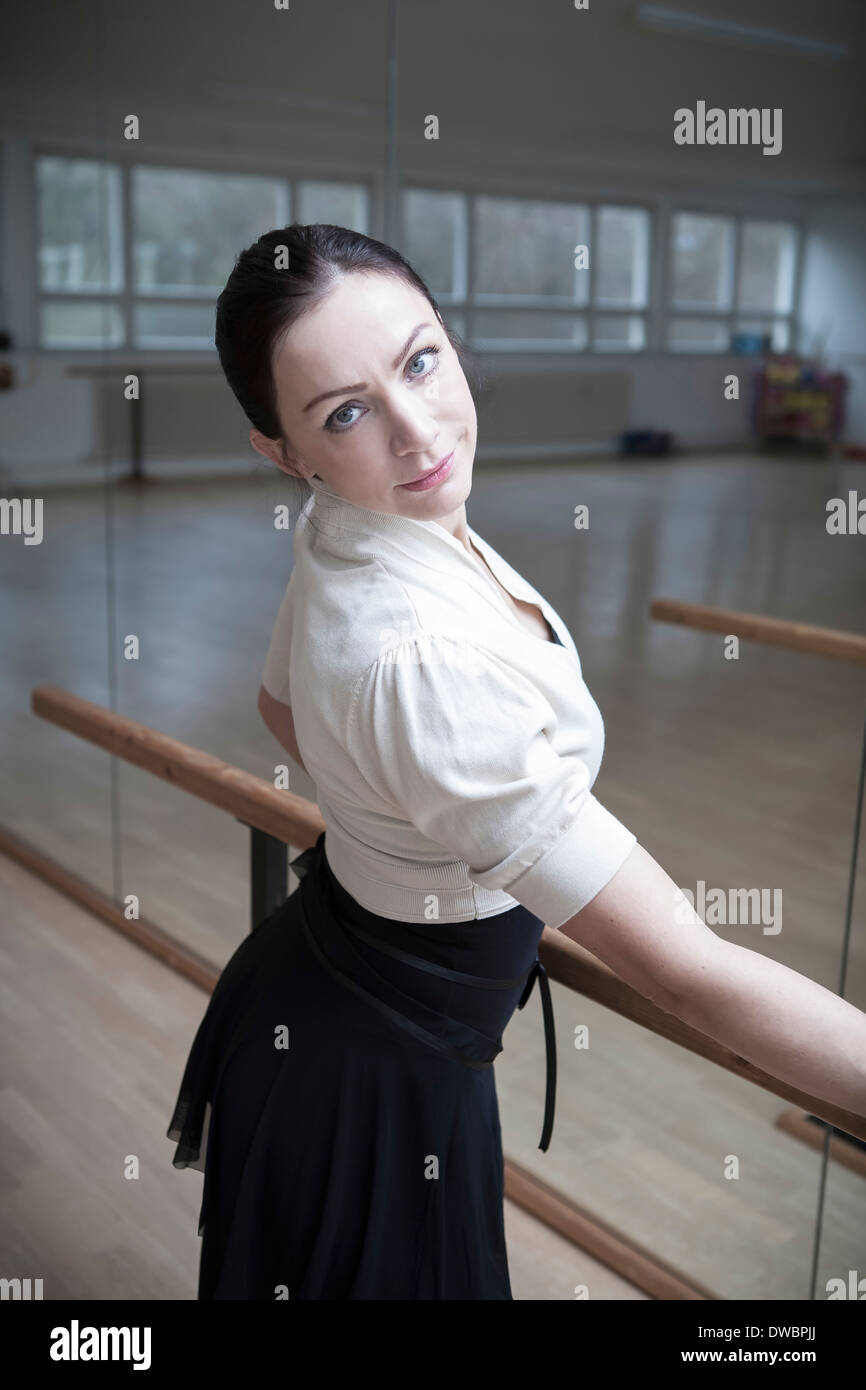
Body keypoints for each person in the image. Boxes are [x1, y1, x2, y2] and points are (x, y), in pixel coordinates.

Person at [167, 223, 866, 1301]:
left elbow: (279, 705)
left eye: (419, 359)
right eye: (346, 412)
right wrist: (444, 818)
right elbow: (682, 967)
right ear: (285, 453)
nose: (416, 432)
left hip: (349, 993)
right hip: (373, 1063)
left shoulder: (345, 524)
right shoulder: (423, 665)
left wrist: (416, 827)